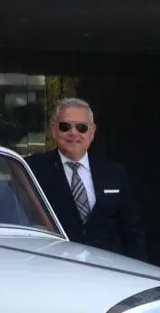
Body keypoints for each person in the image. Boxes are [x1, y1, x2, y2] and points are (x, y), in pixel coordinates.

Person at [25, 97, 148, 260]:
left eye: (81, 128)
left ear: (92, 132)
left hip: (108, 267)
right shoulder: (31, 169)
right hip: (53, 265)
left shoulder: (114, 172)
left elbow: (132, 232)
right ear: (53, 129)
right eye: (65, 126)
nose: (73, 133)